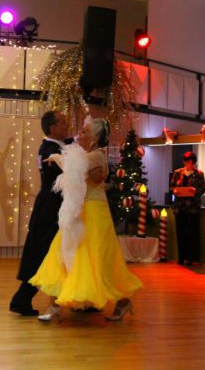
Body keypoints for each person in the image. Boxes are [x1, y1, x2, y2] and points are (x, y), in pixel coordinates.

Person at [30, 117, 142, 322]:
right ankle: (54, 305)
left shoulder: (96, 156)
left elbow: (73, 169)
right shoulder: (88, 155)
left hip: (94, 213)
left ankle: (123, 302)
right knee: (63, 253)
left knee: (98, 260)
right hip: (79, 211)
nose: (79, 135)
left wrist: (56, 156)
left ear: (95, 137)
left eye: (84, 132)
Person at [9, 111, 69, 316]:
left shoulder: (54, 147)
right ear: (53, 127)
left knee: (46, 251)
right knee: (43, 251)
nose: (67, 125)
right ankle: (22, 299)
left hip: (51, 205)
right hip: (51, 208)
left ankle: (81, 300)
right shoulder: (50, 150)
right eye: (63, 122)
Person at [170, 151, 205, 266]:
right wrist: (175, 191)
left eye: (191, 162)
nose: (189, 165)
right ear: (184, 162)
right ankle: (181, 257)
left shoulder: (199, 174)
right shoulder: (177, 173)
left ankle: (190, 258)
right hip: (180, 208)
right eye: (187, 162)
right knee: (180, 233)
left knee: (192, 233)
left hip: (193, 208)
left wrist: (195, 191)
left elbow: (203, 189)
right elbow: (172, 187)